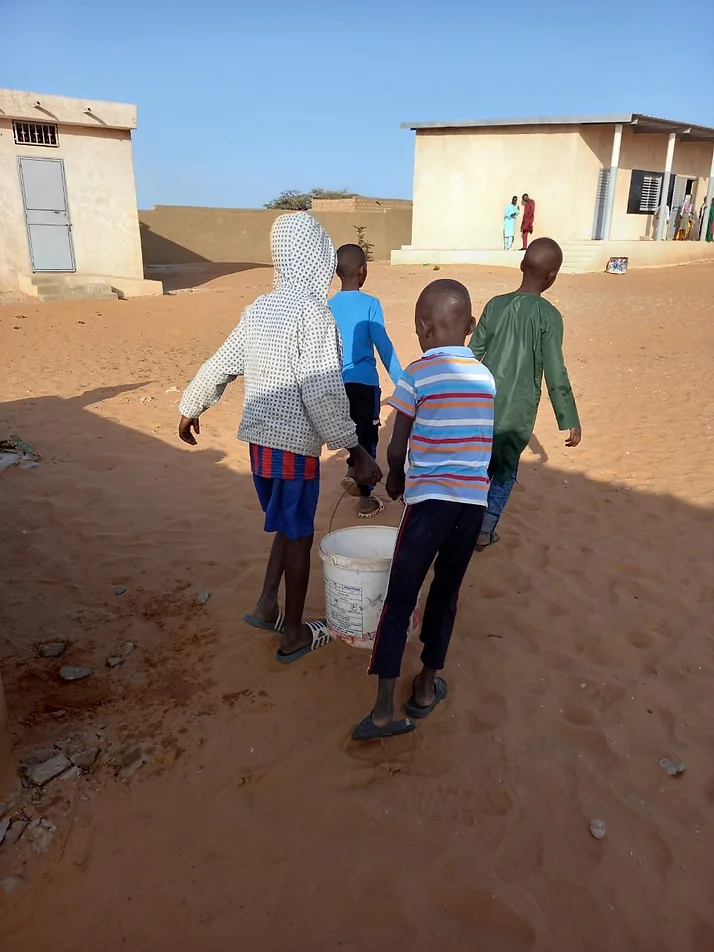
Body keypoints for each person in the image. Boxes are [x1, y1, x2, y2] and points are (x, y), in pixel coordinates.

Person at [178, 213, 381, 662]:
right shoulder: (315, 315)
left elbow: (222, 362)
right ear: (317, 261)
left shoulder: (258, 310)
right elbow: (323, 390)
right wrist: (355, 447)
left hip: (259, 448)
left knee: (287, 526)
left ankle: (267, 603)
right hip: (294, 448)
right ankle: (293, 632)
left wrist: (191, 405)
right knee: (300, 534)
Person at [352, 279, 496, 740]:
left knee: (401, 596)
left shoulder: (416, 374)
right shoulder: (486, 378)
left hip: (429, 505)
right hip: (470, 507)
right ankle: (426, 687)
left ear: (421, 328)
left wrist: (395, 478)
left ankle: (381, 711)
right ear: (471, 326)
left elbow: (397, 445)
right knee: (445, 594)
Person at [469, 237, 581, 550]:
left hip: (479, 406)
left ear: (521, 265)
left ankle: (463, 523)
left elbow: (470, 353)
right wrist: (569, 418)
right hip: (516, 413)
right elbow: (555, 369)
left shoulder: (495, 304)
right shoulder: (549, 316)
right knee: (504, 471)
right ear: (552, 278)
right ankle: (484, 530)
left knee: (476, 466)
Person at [329, 244, 402, 518]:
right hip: (365, 383)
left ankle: (351, 469)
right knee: (368, 436)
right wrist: (402, 381)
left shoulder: (328, 306)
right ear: (363, 271)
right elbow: (384, 345)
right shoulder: (371, 304)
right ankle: (366, 499)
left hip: (335, 384)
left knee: (348, 431)